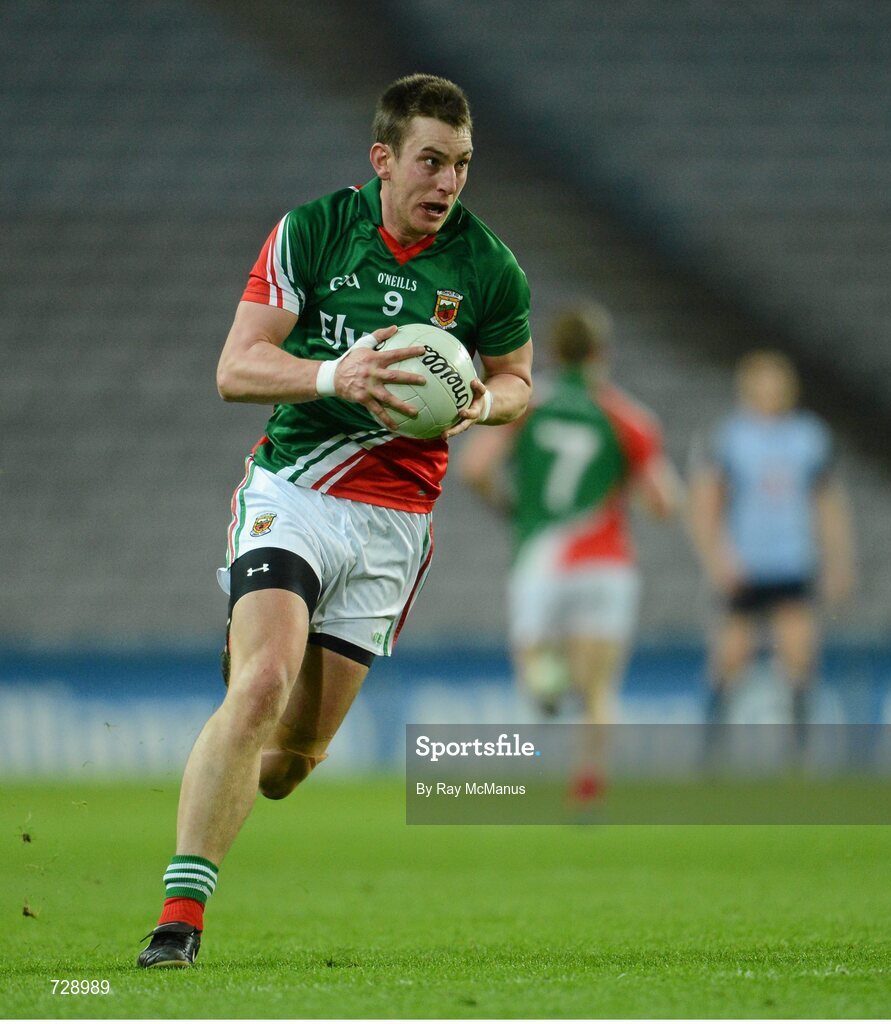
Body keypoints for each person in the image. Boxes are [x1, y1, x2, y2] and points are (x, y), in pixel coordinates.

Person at [137, 73, 532, 968]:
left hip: (393, 523)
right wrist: (332, 376)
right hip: (297, 490)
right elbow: (237, 367)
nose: (447, 184)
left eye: (462, 165)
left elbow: (516, 379)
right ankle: (178, 922)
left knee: (288, 764)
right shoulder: (313, 230)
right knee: (264, 681)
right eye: (431, 162)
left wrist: (479, 404)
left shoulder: (487, 265)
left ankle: (256, 705)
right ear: (383, 159)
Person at [459, 304, 679, 803]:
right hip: (606, 564)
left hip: (542, 559)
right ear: (604, 353)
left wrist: (514, 509)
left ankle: (548, 682)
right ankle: (589, 781)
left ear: (553, 351)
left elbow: (475, 469)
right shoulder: (629, 417)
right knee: (599, 688)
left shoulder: (528, 407)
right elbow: (663, 503)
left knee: (537, 675)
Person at [688, 349, 854, 753]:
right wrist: (718, 559)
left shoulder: (808, 435)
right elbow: (705, 503)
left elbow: (827, 503)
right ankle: (710, 755)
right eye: (763, 382)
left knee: (799, 658)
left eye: (777, 382)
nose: (771, 391)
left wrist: (839, 561)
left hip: (792, 561)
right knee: (730, 660)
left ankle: (798, 756)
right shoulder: (730, 437)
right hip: (745, 563)